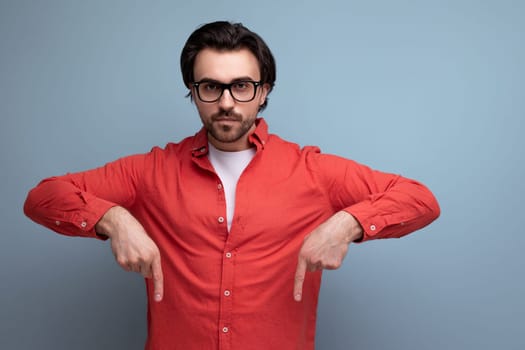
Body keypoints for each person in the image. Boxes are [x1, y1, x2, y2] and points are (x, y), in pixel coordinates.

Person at [24, 21, 440, 349]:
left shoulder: (312, 171)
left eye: (241, 86)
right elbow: (43, 196)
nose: (226, 102)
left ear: (264, 92)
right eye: (211, 86)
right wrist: (113, 218)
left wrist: (347, 223)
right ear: (193, 91)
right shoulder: (150, 171)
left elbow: (419, 200)